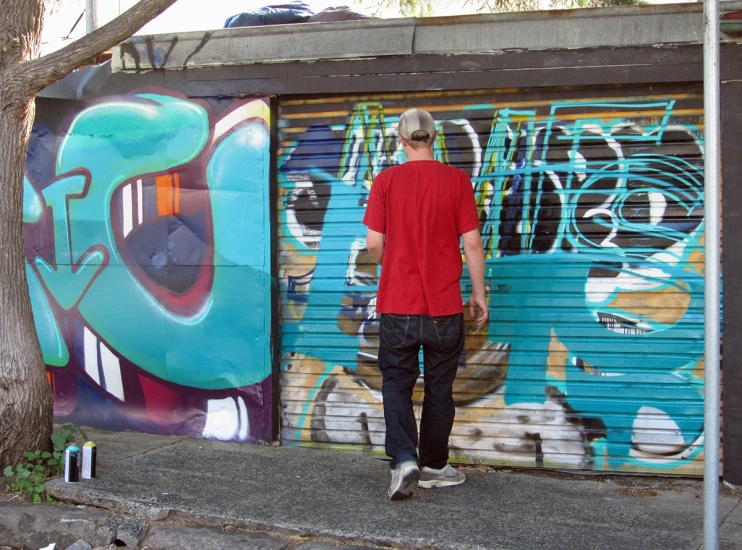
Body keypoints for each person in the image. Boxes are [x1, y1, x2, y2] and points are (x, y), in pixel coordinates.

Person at [362, 108, 488, 501]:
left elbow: (373, 244)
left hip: (397, 304)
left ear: (401, 140)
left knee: (397, 383)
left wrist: (394, 263)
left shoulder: (386, 181)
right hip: (445, 307)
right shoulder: (457, 181)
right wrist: (479, 293)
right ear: (434, 138)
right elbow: (471, 243)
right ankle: (434, 465)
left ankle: (404, 459)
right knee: (439, 388)